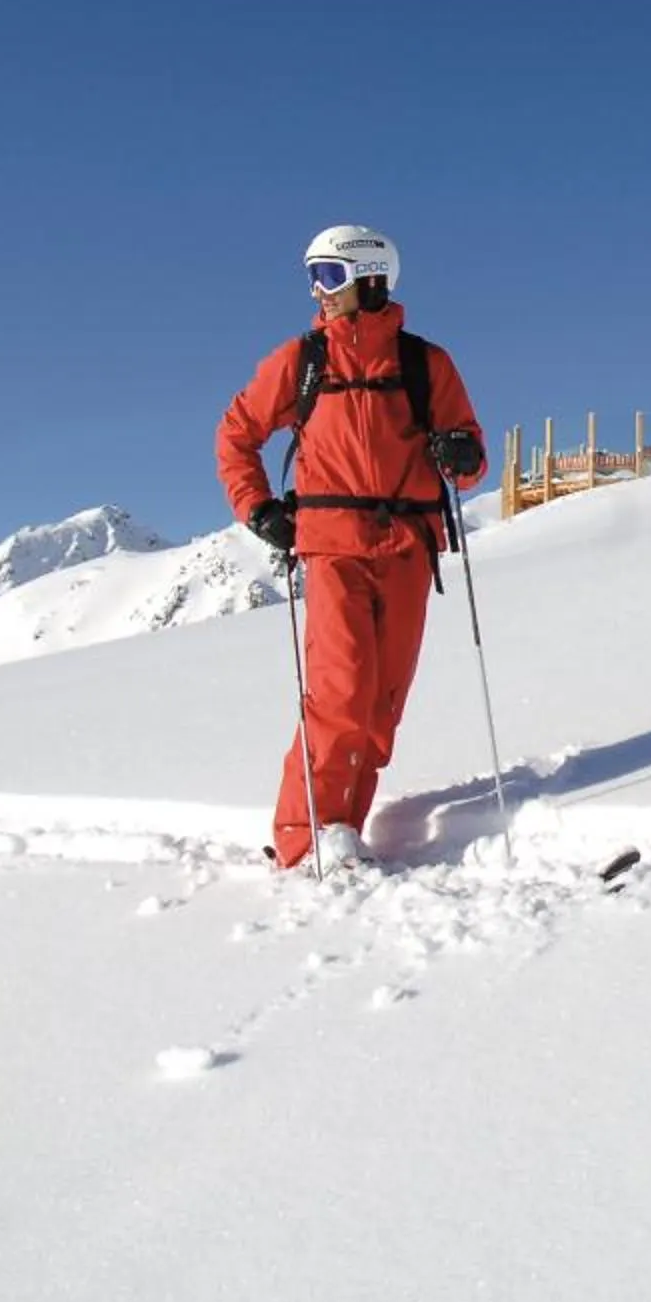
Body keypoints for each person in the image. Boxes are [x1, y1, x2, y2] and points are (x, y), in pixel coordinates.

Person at [216, 224, 487, 870]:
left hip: (409, 549)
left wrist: (462, 453)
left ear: (371, 280)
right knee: (341, 690)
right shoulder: (302, 361)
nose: (318, 291)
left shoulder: (427, 365)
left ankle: (344, 829)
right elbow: (236, 435)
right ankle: (306, 840)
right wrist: (259, 509)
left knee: (382, 702)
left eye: (330, 276)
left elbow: (468, 455)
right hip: (332, 548)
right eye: (313, 277)